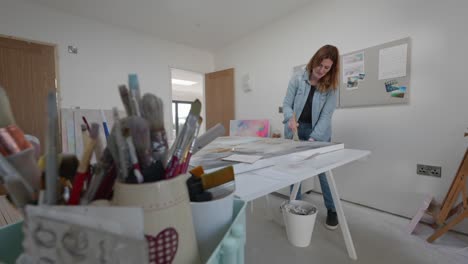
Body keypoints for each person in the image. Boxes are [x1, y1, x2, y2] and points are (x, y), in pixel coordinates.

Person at [282, 44, 340, 230]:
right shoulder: (297, 79)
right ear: (314, 61)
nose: (321, 71)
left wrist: (314, 139)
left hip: (319, 134)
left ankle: (332, 210)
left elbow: (326, 116)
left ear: (332, 68)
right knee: (295, 170)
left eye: (327, 68)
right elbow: (287, 103)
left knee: (324, 171)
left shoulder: (331, 87)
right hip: (297, 130)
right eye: (319, 65)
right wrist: (289, 118)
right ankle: (295, 207)